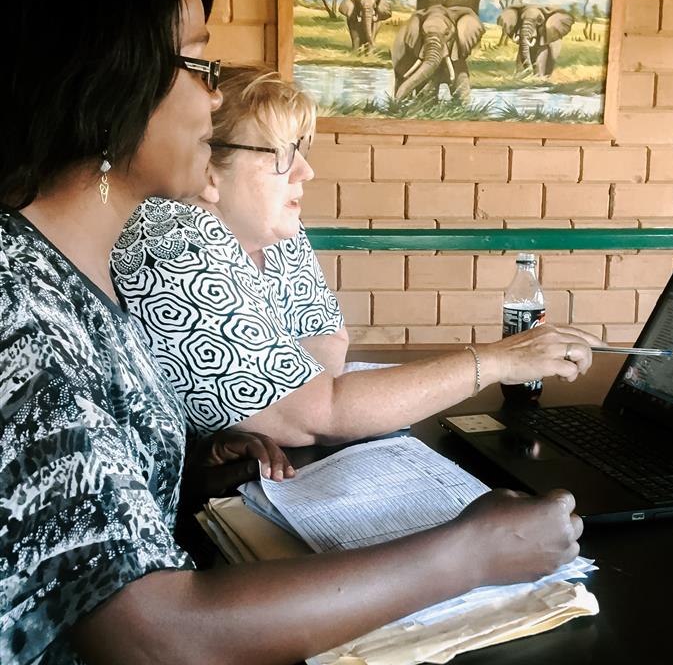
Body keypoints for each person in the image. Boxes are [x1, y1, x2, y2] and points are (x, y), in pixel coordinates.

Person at [1, 0, 583, 665]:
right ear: (109, 83)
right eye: (199, 64)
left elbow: (57, 525)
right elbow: (154, 641)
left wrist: (188, 461)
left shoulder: (66, 275)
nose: (214, 99)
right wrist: (467, 554)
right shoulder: (22, 310)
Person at [111, 66, 604, 452]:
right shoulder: (170, 235)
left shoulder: (275, 231)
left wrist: (306, 404)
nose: (306, 170)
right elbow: (317, 413)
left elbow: (328, 343)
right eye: (281, 153)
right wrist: (498, 360)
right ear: (207, 169)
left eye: (301, 149)